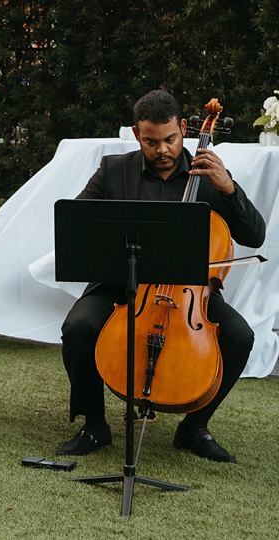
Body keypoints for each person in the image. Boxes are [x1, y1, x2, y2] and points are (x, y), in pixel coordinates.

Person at [57, 90, 266, 463]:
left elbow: (254, 236)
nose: (163, 150)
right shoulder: (113, 170)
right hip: (120, 287)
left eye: (170, 140)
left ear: (184, 129)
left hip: (190, 294)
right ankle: (94, 424)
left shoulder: (210, 177)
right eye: (151, 142)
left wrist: (229, 190)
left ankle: (194, 427)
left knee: (240, 335)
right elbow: (77, 224)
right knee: (78, 326)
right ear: (137, 135)